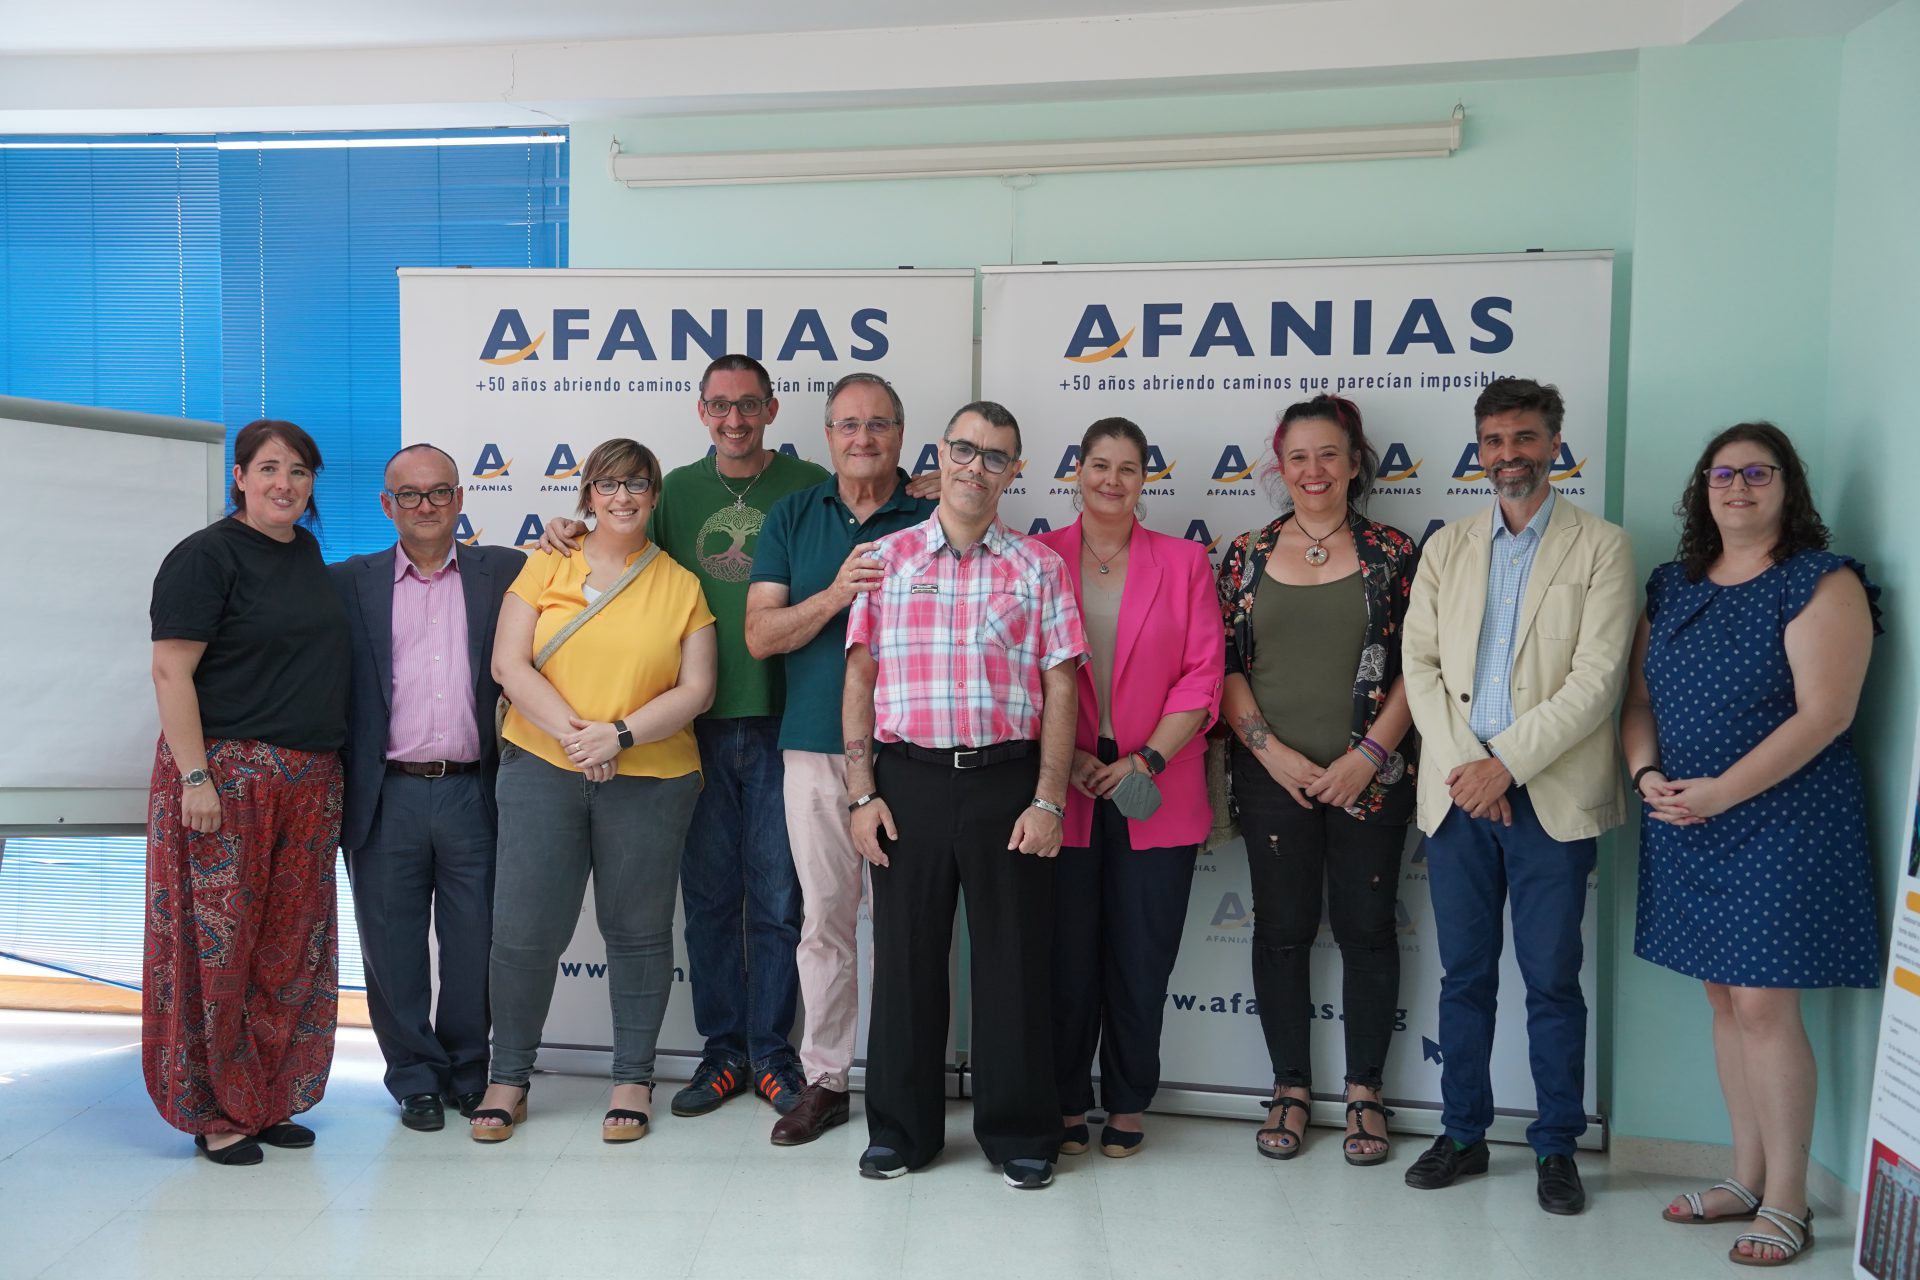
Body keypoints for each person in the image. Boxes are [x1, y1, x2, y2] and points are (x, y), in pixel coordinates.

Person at [542, 355, 828, 1122]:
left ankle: (773, 1054)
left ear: (772, 408)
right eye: (719, 406)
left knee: (776, 897)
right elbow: (618, 545)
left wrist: (922, 490)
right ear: (701, 411)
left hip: (783, 720)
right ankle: (722, 1051)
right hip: (688, 727)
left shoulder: (809, 486)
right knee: (706, 901)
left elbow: (873, 518)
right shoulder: (673, 492)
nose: (734, 419)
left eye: (748, 405)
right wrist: (567, 529)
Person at [1623, 422, 1879, 1267]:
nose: (1737, 487)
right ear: (1703, 489)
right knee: (1724, 1002)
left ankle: (1790, 1204)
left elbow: (1827, 714)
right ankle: (1744, 1177)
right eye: (1722, 474)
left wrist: (1722, 794)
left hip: (1785, 820)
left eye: (1757, 473)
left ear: (1787, 486)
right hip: (1687, 819)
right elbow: (1638, 704)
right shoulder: (1674, 583)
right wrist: (1646, 773)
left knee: (1767, 1006)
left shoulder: (1819, 582)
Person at [1400, 377, 1635, 1215]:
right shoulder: (1448, 548)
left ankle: (1555, 1147)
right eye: (1495, 441)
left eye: (1525, 439)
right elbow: (1419, 668)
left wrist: (1507, 764)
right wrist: (1472, 768)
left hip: (1550, 800)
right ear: (1479, 449)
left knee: (1551, 980)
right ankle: (1462, 1133)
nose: (1510, 456)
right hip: (1461, 799)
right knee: (1464, 975)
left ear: (1555, 444)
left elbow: (1597, 681)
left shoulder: (1601, 546)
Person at [843, 401, 1087, 1190]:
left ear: (1015, 472)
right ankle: (901, 1132)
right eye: (964, 450)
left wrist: (1049, 799)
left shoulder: (1040, 567)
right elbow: (859, 676)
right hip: (905, 782)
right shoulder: (887, 557)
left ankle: (1020, 1131)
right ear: (939, 456)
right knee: (907, 963)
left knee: (1014, 965)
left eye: (995, 456)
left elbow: (1060, 687)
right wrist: (859, 792)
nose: (975, 467)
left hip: (1007, 783)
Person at [471, 438, 716, 1144]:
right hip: (542, 767)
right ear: (587, 494)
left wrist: (620, 737)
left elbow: (697, 689)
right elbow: (507, 664)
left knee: (638, 933)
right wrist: (581, 739)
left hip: (649, 777)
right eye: (608, 484)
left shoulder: (681, 585)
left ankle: (632, 1077)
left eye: (638, 483)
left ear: (655, 496)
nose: (623, 496)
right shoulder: (547, 561)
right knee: (523, 932)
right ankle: (508, 1078)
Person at [1213, 395, 1419, 1166]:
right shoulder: (1245, 554)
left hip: (1371, 775)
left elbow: (1417, 669)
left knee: (1368, 933)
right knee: (1282, 931)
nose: (1313, 470)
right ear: (1280, 467)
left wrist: (1367, 755)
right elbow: (1227, 668)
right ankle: (1289, 1086)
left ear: (1355, 462)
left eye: (1328, 454)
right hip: (1273, 778)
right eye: (1297, 456)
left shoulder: (1394, 552)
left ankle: (1365, 1089)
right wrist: (1270, 751)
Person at [145, 419, 348, 1166]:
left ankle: (264, 1097)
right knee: (217, 953)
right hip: (225, 780)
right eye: (268, 469)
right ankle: (216, 1109)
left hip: (309, 783)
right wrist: (196, 776)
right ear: (238, 476)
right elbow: (172, 672)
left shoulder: (307, 555)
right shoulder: (205, 557)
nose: (284, 484)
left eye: (299, 471)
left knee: (289, 950)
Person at [743, 372, 937, 1145]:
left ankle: (904, 1077)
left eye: (880, 425)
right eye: (849, 424)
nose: (864, 438)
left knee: (908, 929)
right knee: (823, 922)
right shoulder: (793, 514)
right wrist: (836, 592)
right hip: (817, 750)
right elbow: (762, 636)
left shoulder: (932, 513)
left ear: (902, 434)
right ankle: (825, 1080)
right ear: (826, 435)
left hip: (918, 754)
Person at [1032, 418, 1222, 1160]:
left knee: (1141, 957)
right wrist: (1072, 763)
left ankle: (1131, 1098)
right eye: (1098, 465)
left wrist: (1145, 760)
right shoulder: (1040, 557)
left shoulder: (1183, 563)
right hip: (1066, 783)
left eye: (1128, 469)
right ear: (1076, 471)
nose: (1112, 480)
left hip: (1156, 781)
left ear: (1147, 479)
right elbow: (1024, 673)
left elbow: (1203, 676)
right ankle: (1068, 1098)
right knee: (1067, 956)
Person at [328, 444, 524, 1132]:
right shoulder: (348, 582)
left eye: (438, 492)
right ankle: (414, 1076)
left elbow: (581, 566)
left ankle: (470, 1071)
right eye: (408, 495)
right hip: (388, 794)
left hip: (476, 791)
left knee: (477, 943)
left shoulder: (506, 570)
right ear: (386, 506)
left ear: (460, 498)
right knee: (392, 946)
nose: (425, 506)